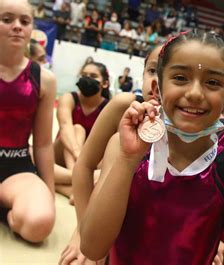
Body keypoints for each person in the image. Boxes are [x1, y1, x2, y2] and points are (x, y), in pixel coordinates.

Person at [80, 31, 224, 264]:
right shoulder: (123, 147)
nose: (194, 93)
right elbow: (92, 247)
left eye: (212, 82)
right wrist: (128, 159)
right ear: (157, 89)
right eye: (180, 77)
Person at [59, 45, 163, 265]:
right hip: (109, 219)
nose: (158, 82)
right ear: (143, 73)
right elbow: (84, 165)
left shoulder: (195, 128)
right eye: (153, 70)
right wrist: (81, 233)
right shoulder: (123, 105)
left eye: (175, 74)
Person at [0, 0, 56, 243]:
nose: (17, 27)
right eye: (7, 19)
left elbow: (43, 144)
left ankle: (11, 210)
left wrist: (49, 195)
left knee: (39, 223)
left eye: (24, 21)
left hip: (16, 168)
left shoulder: (43, 79)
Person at [54, 62, 110, 201]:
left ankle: (71, 190)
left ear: (105, 83)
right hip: (63, 152)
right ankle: (79, 179)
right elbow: (65, 126)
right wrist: (77, 154)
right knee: (77, 129)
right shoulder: (69, 98)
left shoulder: (108, 107)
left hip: (89, 160)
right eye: (84, 75)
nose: (87, 79)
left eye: (93, 76)